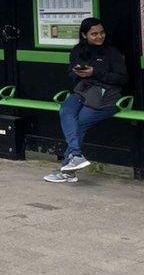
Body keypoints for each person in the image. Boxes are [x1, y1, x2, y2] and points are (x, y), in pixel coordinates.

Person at [44, 17, 127, 183]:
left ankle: (68, 170)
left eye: (102, 32)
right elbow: (71, 74)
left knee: (80, 122)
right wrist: (77, 73)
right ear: (84, 35)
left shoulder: (112, 52)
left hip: (107, 97)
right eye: (94, 33)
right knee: (66, 110)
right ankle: (75, 156)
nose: (99, 36)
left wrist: (94, 72)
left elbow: (123, 79)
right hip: (83, 92)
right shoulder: (77, 51)